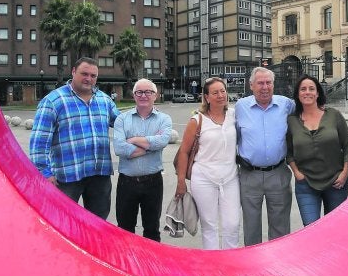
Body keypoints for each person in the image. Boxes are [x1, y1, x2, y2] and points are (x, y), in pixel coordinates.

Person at [29, 57, 119, 219]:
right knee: (62, 222)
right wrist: (44, 173)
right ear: (73, 72)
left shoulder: (104, 100)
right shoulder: (53, 101)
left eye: (93, 76)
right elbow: (39, 143)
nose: (89, 79)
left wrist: (145, 116)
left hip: (99, 174)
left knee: (98, 223)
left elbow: (122, 125)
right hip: (66, 177)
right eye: (84, 73)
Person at [175, 77, 240, 249]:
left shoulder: (233, 115)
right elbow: (184, 152)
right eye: (215, 92)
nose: (220, 95)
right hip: (203, 178)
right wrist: (181, 181)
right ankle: (214, 268)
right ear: (207, 97)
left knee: (232, 224)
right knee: (209, 225)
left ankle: (229, 263)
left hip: (230, 177)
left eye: (223, 91)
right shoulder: (197, 120)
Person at [235, 67, 295, 246]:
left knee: (280, 227)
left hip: (278, 173)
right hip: (249, 175)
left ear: (273, 85)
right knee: (251, 226)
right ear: (251, 85)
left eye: (268, 83)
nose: (265, 87)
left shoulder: (286, 104)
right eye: (260, 83)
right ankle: (253, 269)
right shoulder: (240, 107)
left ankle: (276, 268)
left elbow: (307, 110)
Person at [286, 75, 348, 226]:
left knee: (334, 228)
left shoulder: (334, 115)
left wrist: (344, 173)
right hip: (306, 184)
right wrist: (296, 172)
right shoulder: (292, 121)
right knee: (310, 229)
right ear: (298, 94)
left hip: (336, 182)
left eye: (311, 89)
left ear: (317, 93)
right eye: (303, 89)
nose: (307, 92)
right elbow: (289, 151)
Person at [113, 78, 172, 241]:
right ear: (134, 95)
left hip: (153, 182)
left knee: (152, 229)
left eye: (148, 92)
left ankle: (150, 265)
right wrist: (151, 146)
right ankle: (126, 265)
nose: (144, 95)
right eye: (139, 92)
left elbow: (163, 141)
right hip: (127, 182)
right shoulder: (122, 119)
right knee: (125, 229)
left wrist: (132, 139)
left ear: (156, 95)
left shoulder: (164, 119)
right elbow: (119, 148)